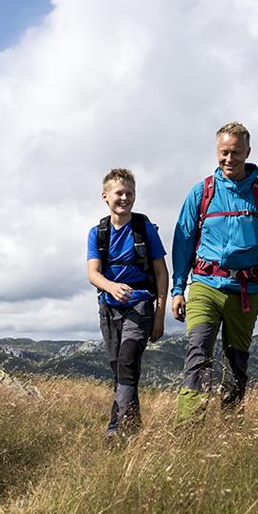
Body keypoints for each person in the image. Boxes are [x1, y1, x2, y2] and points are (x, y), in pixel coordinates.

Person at [170, 122, 258, 422]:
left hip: (245, 291)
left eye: (236, 153)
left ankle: (230, 427)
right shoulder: (202, 192)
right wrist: (177, 290)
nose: (229, 159)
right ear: (217, 151)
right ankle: (189, 428)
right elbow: (183, 243)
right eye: (224, 153)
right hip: (204, 286)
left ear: (248, 152)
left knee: (235, 362)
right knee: (198, 355)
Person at [86, 168, 168, 438]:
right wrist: (111, 287)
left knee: (127, 361)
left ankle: (115, 428)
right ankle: (132, 427)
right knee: (118, 368)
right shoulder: (98, 233)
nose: (124, 198)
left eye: (129, 193)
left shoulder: (145, 228)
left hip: (141, 305)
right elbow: (92, 274)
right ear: (105, 196)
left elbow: (161, 273)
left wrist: (159, 316)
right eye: (118, 193)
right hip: (109, 308)